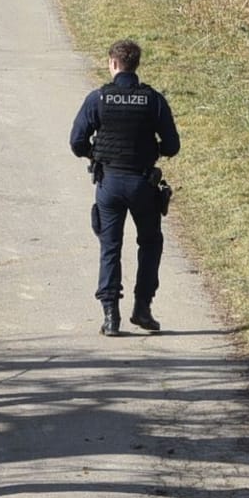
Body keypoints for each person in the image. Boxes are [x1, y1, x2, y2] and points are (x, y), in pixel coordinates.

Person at [69, 38, 181, 336]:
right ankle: (142, 307)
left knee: (110, 247)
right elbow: (172, 145)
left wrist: (96, 154)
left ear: (114, 64)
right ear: (135, 65)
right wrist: (149, 148)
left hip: (110, 183)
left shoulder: (99, 98)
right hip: (143, 183)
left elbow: (76, 142)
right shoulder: (153, 100)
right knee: (150, 243)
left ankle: (110, 316)